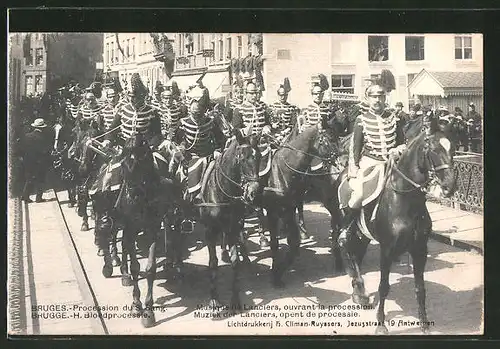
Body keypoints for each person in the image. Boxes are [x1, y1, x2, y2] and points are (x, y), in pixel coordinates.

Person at [339, 71, 406, 244]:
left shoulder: (394, 118)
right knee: (359, 194)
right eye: (373, 96)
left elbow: (402, 143)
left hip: (392, 164)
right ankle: (348, 227)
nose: (377, 100)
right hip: (370, 164)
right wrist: (353, 169)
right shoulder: (361, 120)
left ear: (385, 98)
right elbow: (355, 148)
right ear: (368, 98)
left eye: (380, 96)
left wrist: (396, 151)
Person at [102, 73, 163, 150]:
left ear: (143, 96)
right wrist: (107, 140)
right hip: (125, 146)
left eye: (137, 97)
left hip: (144, 147)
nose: (133, 100)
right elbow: (112, 129)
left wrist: (152, 144)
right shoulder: (123, 110)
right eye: (131, 97)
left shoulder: (152, 111)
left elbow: (157, 133)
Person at [21, 118, 52, 203]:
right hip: (40, 162)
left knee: (29, 179)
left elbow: (22, 149)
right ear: (42, 128)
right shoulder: (43, 138)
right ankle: (39, 198)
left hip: (28, 161)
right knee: (40, 180)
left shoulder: (27, 136)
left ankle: (25, 196)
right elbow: (45, 151)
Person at [269, 78, 299, 145]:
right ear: (278, 94)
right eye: (281, 95)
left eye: (285, 95)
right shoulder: (272, 107)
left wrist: (286, 131)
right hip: (274, 134)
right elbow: (269, 121)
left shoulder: (291, 108)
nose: (283, 97)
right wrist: (272, 125)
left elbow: (293, 123)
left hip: (287, 135)